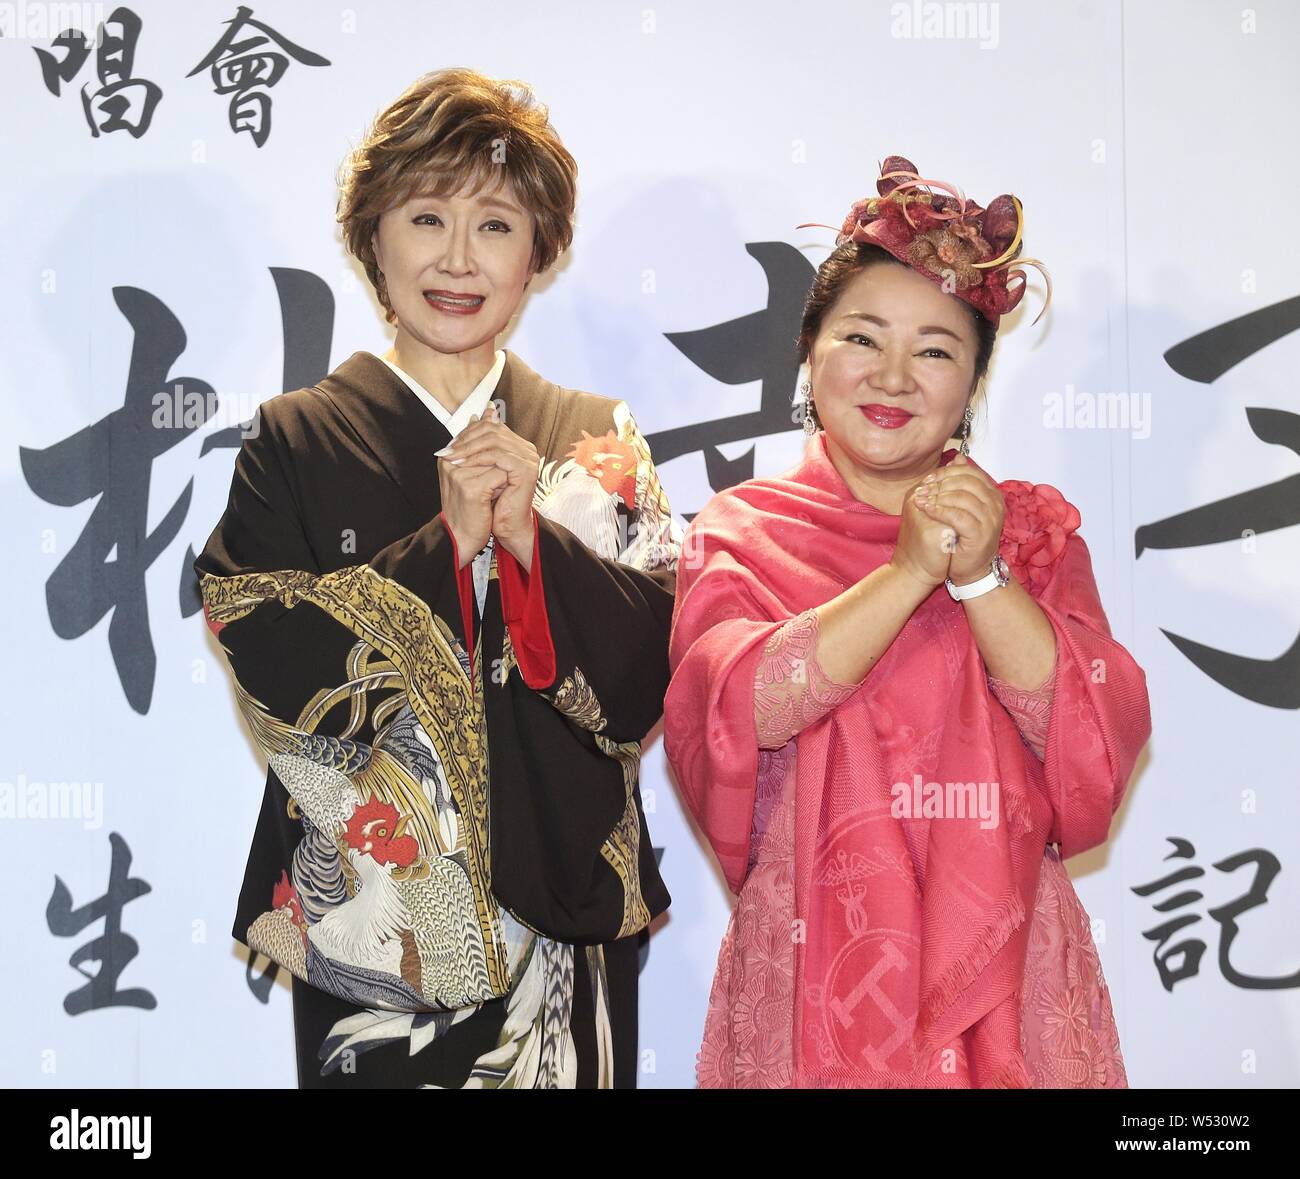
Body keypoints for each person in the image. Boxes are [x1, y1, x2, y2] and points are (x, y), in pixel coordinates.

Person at [195, 67, 680, 1089]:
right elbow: (270, 664)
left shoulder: (596, 437)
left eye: (497, 226)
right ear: (374, 238)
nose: (458, 260)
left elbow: (646, 677)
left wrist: (536, 554)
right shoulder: (292, 438)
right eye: (425, 218)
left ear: (538, 252)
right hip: (371, 924)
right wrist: (445, 545)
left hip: (565, 926)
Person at [663, 156, 1151, 1088]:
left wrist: (979, 576)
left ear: (972, 383)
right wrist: (907, 571)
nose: (893, 375)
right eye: (861, 337)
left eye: (934, 349)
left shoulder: (1032, 533)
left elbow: (1091, 742)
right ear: (809, 352)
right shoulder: (743, 531)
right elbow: (734, 713)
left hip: (1002, 966)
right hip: (821, 967)